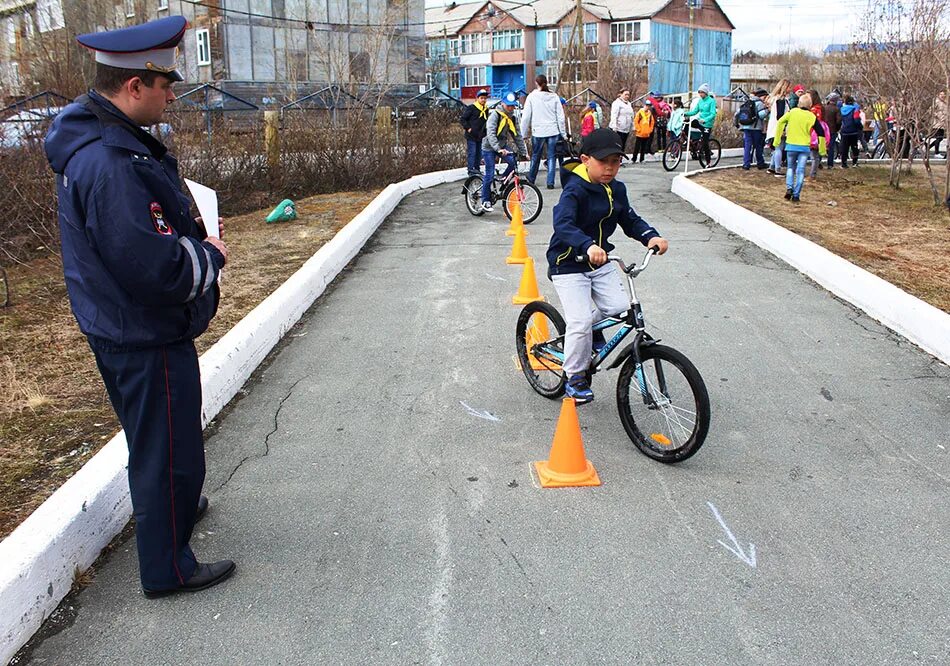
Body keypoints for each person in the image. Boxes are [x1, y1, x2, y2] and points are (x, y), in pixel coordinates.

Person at [43, 16, 235, 598]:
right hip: (143, 333)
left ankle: (176, 514)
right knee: (166, 450)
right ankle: (169, 567)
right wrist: (208, 254)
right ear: (133, 87)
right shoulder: (108, 164)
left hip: (126, 327)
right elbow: (152, 268)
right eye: (164, 85)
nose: (172, 95)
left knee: (159, 441)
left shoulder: (109, 147)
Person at [545, 128, 669, 404]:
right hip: (569, 262)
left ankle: (593, 330)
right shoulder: (575, 190)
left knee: (619, 308)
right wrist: (587, 245)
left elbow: (629, 219)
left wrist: (650, 236)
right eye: (604, 162)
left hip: (599, 261)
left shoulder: (617, 189)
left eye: (616, 161)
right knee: (579, 321)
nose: (610, 168)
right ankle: (575, 377)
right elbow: (562, 224)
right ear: (586, 159)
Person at [481, 92, 527, 212]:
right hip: (489, 147)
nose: (511, 108)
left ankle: (503, 180)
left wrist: (524, 152)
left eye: (513, 106)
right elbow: (490, 134)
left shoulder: (512, 117)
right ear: (502, 104)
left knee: (513, 162)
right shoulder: (495, 115)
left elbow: (517, 136)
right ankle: (485, 200)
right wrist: (498, 149)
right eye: (508, 106)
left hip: (501, 145)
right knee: (489, 173)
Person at [521, 75, 567, 190]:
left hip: (538, 131)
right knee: (552, 157)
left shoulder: (532, 96)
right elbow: (560, 117)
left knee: (536, 156)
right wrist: (564, 134)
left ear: (537, 83)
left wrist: (522, 133)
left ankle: (531, 179)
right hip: (553, 131)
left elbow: (526, 117)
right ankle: (550, 182)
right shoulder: (554, 96)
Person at [773, 93, 822, 202]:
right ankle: (796, 195)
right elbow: (821, 132)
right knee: (800, 170)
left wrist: (777, 139)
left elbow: (780, 121)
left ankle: (789, 187)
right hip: (804, 147)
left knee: (790, 168)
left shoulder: (792, 112)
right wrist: (822, 148)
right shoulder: (811, 116)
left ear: (799, 103)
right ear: (810, 105)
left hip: (791, 145)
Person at [735, 88, 769, 170]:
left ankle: (746, 164)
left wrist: (737, 124)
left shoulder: (747, 102)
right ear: (761, 96)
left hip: (746, 127)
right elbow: (761, 115)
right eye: (764, 97)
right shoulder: (759, 103)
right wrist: (767, 110)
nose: (765, 99)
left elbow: (737, 113)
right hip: (756, 128)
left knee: (747, 146)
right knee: (758, 146)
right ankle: (760, 163)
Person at [684, 83, 717, 163]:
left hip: (707, 124)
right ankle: (691, 142)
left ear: (706, 93)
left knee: (705, 143)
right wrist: (685, 113)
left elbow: (713, 114)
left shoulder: (711, 101)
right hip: (700, 121)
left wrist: (705, 120)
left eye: (702, 92)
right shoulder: (700, 101)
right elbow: (695, 111)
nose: (700, 94)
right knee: (688, 125)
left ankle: (708, 162)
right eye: (699, 92)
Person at [459, 89, 489, 176]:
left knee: (479, 153)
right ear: (477, 98)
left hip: (480, 135)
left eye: (485, 98)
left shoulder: (485, 109)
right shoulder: (472, 108)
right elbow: (463, 119)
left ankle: (477, 169)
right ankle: (470, 170)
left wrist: (485, 132)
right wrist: (468, 128)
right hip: (471, 135)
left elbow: (485, 121)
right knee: (472, 153)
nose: (483, 100)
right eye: (481, 98)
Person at [766, 79, 792, 175]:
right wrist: (784, 128)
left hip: (774, 127)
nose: (790, 89)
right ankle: (778, 169)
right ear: (784, 88)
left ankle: (772, 167)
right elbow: (780, 116)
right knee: (779, 148)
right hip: (779, 128)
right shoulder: (781, 101)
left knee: (776, 148)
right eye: (789, 87)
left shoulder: (777, 100)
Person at [608, 88, 634, 160]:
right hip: (618, 128)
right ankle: (614, 159)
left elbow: (631, 116)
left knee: (623, 145)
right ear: (621, 94)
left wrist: (632, 126)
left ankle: (620, 159)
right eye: (625, 94)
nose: (627, 96)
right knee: (617, 145)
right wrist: (614, 126)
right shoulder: (617, 103)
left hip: (626, 128)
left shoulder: (629, 104)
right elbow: (614, 115)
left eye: (628, 95)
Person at [839, 95, 863, 168]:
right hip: (853, 131)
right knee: (854, 147)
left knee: (844, 148)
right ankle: (854, 163)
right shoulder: (854, 110)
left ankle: (844, 164)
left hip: (844, 131)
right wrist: (860, 127)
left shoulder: (841, 110)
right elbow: (856, 121)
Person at [632, 99, 655, 163]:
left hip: (646, 133)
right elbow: (636, 121)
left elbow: (652, 122)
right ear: (644, 105)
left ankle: (642, 159)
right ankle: (634, 159)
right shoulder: (640, 112)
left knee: (643, 147)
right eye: (647, 105)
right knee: (637, 147)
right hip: (640, 133)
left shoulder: (650, 113)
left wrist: (650, 130)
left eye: (649, 106)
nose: (648, 107)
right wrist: (638, 129)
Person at [823, 92, 842, 168]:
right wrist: (837, 129)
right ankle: (830, 164)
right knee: (831, 148)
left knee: (822, 146)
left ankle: (818, 162)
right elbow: (839, 121)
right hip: (832, 130)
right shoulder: (836, 109)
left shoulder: (824, 108)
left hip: (824, 130)